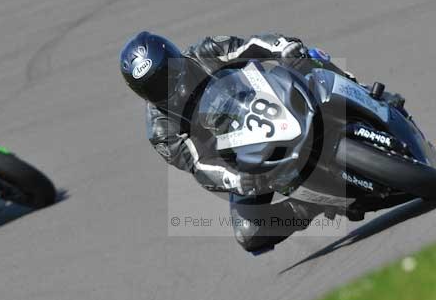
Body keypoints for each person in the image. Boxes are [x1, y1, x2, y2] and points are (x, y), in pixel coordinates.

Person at [119, 32, 360, 254]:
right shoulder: (161, 130)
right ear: (142, 94)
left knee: (305, 58)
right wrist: (235, 179)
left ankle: (358, 91)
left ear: (174, 55)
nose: (168, 84)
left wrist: (282, 47)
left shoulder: (206, 52)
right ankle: (313, 205)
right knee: (249, 232)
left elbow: (251, 45)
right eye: (155, 87)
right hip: (243, 157)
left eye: (168, 72)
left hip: (269, 99)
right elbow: (200, 165)